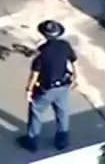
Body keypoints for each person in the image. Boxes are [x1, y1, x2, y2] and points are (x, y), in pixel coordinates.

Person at [23, 19, 77, 153]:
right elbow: (73, 61)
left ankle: (32, 141)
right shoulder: (65, 45)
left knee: (36, 111)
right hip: (63, 85)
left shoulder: (42, 52)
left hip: (46, 88)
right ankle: (62, 139)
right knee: (62, 112)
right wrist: (75, 77)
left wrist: (29, 89)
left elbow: (35, 73)